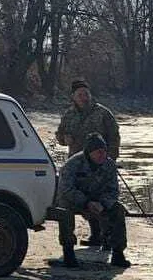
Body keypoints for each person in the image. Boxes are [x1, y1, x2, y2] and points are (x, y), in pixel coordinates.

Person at [56, 80, 121, 248]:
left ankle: (103, 237)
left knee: (100, 196)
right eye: (80, 95)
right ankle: (71, 245)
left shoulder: (103, 113)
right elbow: (59, 134)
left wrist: (110, 160)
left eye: (86, 94)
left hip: (100, 162)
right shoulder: (69, 114)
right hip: (77, 164)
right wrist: (64, 139)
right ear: (73, 97)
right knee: (74, 197)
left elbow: (114, 136)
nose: (84, 97)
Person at [55, 133, 130, 269]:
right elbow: (66, 190)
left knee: (118, 210)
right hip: (74, 200)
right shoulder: (72, 164)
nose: (102, 155)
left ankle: (118, 253)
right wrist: (86, 202)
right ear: (89, 153)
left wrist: (103, 204)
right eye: (98, 152)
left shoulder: (109, 165)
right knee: (64, 212)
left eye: (104, 152)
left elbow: (113, 191)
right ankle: (68, 253)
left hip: (98, 200)